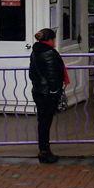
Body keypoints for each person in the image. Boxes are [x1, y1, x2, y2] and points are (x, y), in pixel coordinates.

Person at [29, 28, 68, 164]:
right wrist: (55, 91)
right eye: (54, 39)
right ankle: (45, 152)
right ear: (51, 39)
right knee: (46, 122)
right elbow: (53, 76)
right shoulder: (50, 53)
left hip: (38, 91)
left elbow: (31, 73)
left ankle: (43, 150)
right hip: (48, 94)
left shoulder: (35, 52)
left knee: (42, 122)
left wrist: (38, 85)